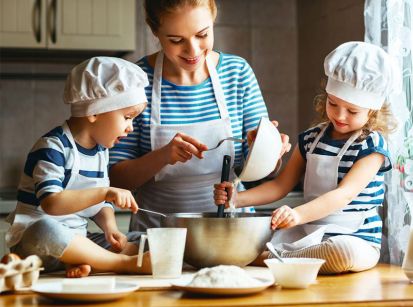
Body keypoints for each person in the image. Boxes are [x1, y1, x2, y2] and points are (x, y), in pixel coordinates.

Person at [214, 41, 398, 274]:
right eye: (333, 103)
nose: (339, 115)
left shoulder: (372, 146)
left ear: (373, 110)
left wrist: (298, 214)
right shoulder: (310, 139)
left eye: (352, 111)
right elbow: (280, 186)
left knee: (342, 252)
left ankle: (268, 258)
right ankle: (286, 258)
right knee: (266, 237)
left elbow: (343, 195)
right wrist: (236, 199)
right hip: (308, 233)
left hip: (356, 238)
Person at [109, 0, 289, 231]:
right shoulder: (136, 81)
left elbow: (261, 171)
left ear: (213, 19)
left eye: (202, 34)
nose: (192, 50)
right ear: (155, 31)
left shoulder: (237, 73)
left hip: (231, 231)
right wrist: (163, 156)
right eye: (176, 40)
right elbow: (116, 179)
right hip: (158, 234)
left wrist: (267, 150)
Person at [5, 57, 152, 278]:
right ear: (94, 112)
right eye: (127, 117)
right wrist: (105, 192)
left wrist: (110, 228)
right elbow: (52, 203)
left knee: (141, 241)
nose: (130, 127)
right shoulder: (53, 147)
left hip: (77, 241)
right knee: (45, 230)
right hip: (37, 243)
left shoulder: (101, 151)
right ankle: (123, 263)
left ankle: (83, 261)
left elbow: (99, 205)